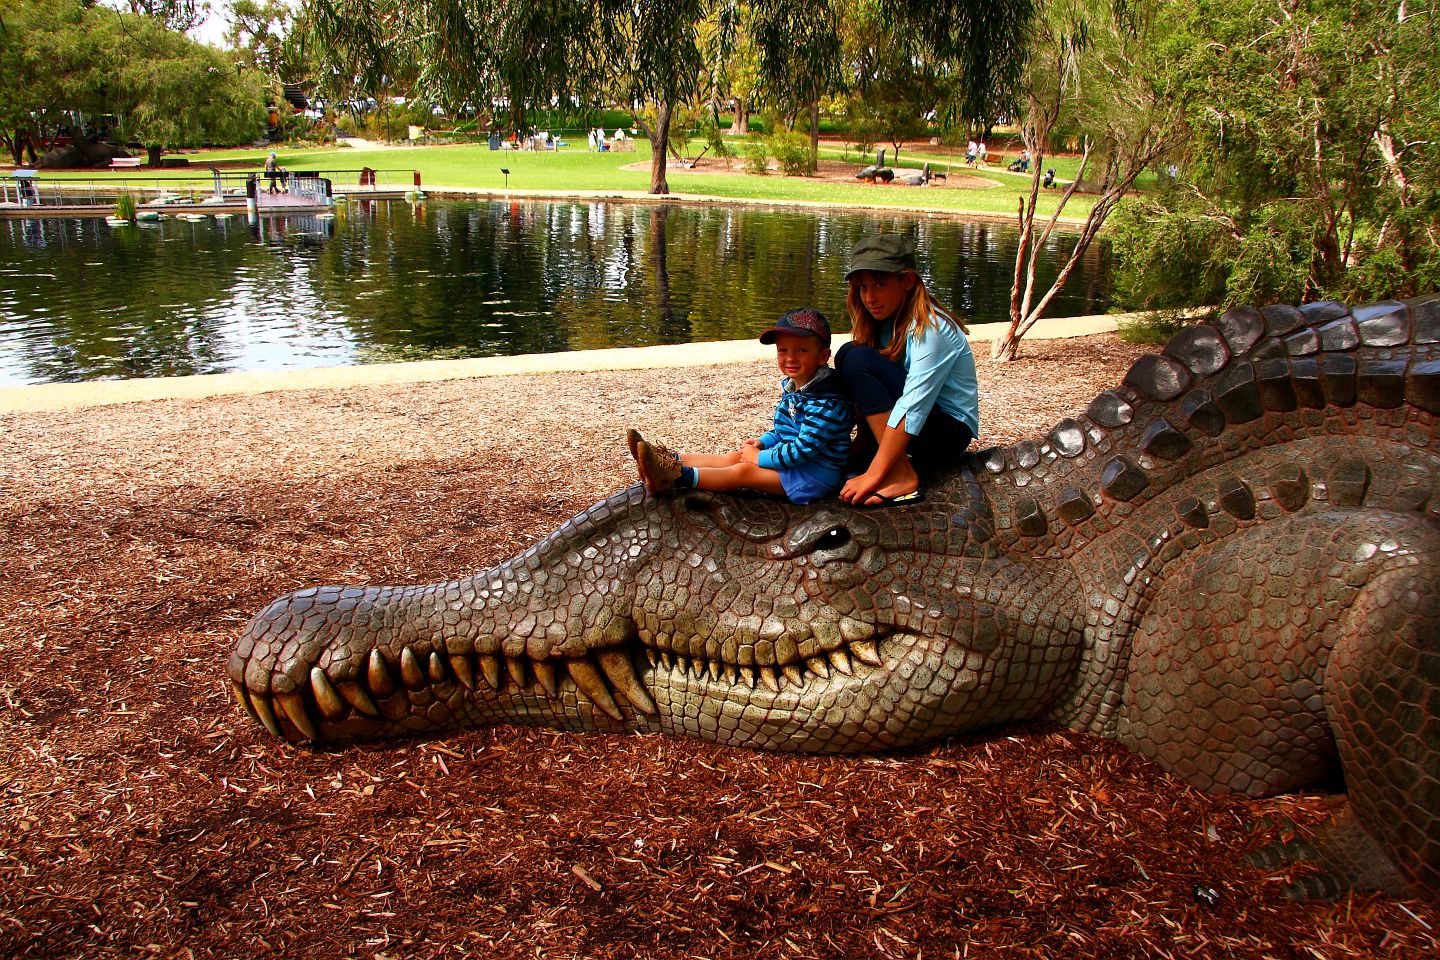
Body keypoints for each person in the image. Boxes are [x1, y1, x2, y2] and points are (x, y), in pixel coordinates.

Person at [629, 308, 852, 504]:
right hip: (798, 463)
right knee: (733, 457)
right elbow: (786, 430)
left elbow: (802, 449)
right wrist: (763, 442)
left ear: (822, 357)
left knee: (744, 470)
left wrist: (758, 458)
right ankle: (663, 461)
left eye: (801, 350)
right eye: (783, 350)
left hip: (814, 476)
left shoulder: (826, 402)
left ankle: (676, 477)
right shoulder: (795, 387)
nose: (790, 358)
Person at [834, 234, 979, 506]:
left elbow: (913, 405)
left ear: (908, 281)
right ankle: (867, 449)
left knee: (859, 361)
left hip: (945, 432)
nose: (869, 297)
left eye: (880, 284)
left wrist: (875, 474)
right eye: (863, 287)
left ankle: (901, 475)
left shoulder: (932, 328)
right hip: (916, 426)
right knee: (848, 353)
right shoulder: (886, 319)